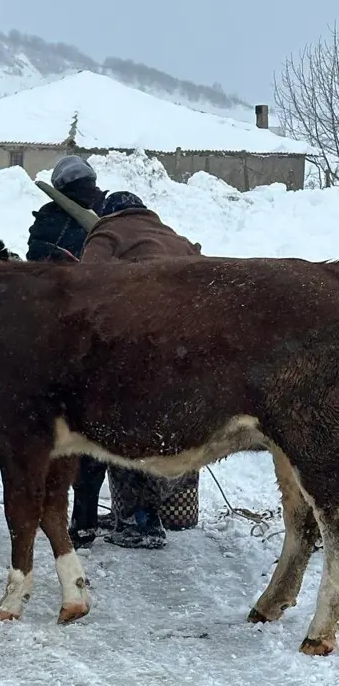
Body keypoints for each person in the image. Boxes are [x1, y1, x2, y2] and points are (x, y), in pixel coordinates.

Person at [80, 190, 203, 550]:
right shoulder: (175, 238)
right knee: (159, 434)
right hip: (185, 354)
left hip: (137, 350)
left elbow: (83, 285)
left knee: (119, 429)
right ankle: (142, 513)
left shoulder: (109, 233)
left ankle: (141, 522)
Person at [27, 156, 111, 548]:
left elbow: (38, 272)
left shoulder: (50, 220)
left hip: (63, 339)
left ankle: (69, 515)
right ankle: (91, 516)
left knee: (68, 428)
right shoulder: (109, 218)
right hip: (109, 335)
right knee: (96, 430)